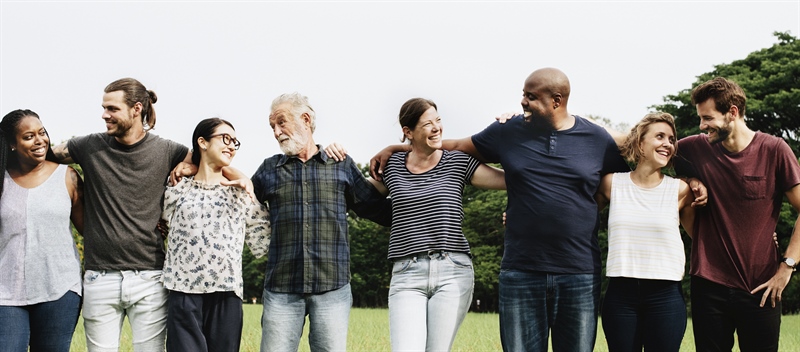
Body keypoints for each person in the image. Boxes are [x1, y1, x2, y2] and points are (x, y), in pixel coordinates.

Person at [371, 68, 631, 351]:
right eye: (523, 94)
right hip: (521, 270)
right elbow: (458, 146)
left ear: (556, 101)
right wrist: (400, 147)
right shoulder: (508, 131)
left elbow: (618, 181)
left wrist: (590, 211)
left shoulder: (596, 138)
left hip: (579, 271)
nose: (523, 101)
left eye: (531, 97)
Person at [51, 78, 191, 351]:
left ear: (136, 109)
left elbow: (209, 161)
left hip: (150, 278)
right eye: (104, 108)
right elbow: (40, 155)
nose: (105, 114)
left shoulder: (168, 150)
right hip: (98, 277)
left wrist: (191, 170)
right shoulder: (88, 146)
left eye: (112, 109)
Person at [359, 98, 506, 351]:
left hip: (453, 270)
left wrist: (518, 133)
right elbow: (359, 194)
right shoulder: (392, 165)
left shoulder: (458, 161)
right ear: (408, 132)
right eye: (427, 124)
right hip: (407, 273)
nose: (437, 127)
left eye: (438, 120)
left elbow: (510, 180)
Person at [252, 92, 392, 352]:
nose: (276, 131)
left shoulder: (341, 165)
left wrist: (414, 178)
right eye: (272, 126)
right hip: (281, 287)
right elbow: (237, 208)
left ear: (305, 119)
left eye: (281, 122)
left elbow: (378, 210)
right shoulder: (268, 170)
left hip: (332, 287)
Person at [674, 77, 800, 351]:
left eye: (707, 118)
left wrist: (786, 267)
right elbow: (648, 151)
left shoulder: (775, 150)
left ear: (732, 112)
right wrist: (689, 180)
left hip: (761, 287)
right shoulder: (692, 148)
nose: (701, 126)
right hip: (708, 284)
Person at [161, 118, 271, 352]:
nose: (232, 145)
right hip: (183, 292)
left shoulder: (242, 194)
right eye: (225, 138)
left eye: (235, 142)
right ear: (202, 142)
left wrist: (245, 182)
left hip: (226, 294)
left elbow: (264, 243)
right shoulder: (176, 190)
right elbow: (161, 227)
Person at [595, 112, 695, 351]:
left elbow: (703, 237)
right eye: (659, 136)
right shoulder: (611, 184)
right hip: (621, 295)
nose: (667, 144)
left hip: (665, 295)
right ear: (640, 143)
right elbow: (574, 215)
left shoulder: (680, 190)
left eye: (671, 139)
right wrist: (522, 216)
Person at [0, 109, 84, 352]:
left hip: (59, 289)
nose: (39, 141)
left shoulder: (66, 177)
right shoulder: (2, 180)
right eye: (28, 136)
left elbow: (91, 229)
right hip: (6, 291)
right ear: (12, 144)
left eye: (42, 133)